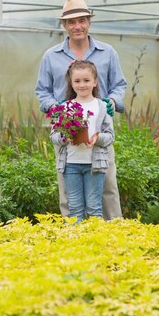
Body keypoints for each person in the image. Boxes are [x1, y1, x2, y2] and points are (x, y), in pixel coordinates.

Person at [36, 0, 127, 220]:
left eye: (82, 20)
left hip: (99, 132)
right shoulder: (51, 56)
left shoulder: (107, 53)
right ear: (64, 26)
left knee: (107, 187)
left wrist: (112, 102)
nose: (77, 26)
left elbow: (119, 85)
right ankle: (74, 239)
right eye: (71, 22)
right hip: (67, 133)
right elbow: (42, 92)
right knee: (68, 190)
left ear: (89, 22)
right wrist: (57, 110)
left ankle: (114, 236)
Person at [50, 60, 114, 222]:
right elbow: (54, 136)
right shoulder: (64, 107)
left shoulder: (101, 107)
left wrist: (97, 138)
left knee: (94, 207)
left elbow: (110, 136)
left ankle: (95, 243)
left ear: (95, 82)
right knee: (75, 209)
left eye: (86, 80)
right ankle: (77, 245)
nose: (82, 85)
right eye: (77, 81)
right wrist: (65, 137)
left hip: (94, 165)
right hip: (70, 165)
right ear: (71, 83)